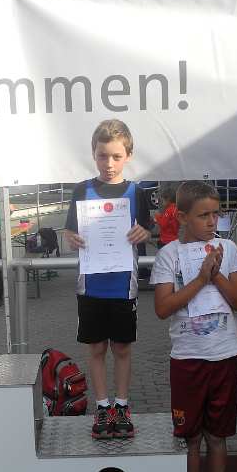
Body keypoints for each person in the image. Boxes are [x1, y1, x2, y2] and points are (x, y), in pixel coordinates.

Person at [151, 181, 237, 472]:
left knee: (217, 436)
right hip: (187, 358)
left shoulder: (228, 248)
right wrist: (200, 278)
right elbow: (163, 308)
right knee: (191, 436)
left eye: (215, 214)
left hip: (224, 355)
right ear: (182, 217)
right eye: (203, 215)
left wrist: (216, 274)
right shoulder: (169, 255)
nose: (211, 221)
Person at [64, 119, 152, 439]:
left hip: (123, 285)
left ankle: (122, 405)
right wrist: (70, 238)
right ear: (94, 154)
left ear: (128, 155)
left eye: (116, 156)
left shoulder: (136, 192)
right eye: (103, 156)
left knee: (123, 348)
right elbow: (69, 231)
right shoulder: (81, 190)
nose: (109, 163)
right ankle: (103, 407)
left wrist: (145, 232)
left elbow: (147, 229)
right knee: (97, 347)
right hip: (91, 285)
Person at [153, 182, 180, 248]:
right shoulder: (176, 209)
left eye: (163, 200)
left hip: (167, 240)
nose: (162, 203)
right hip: (175, 238)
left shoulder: (169, 210)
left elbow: (163, 224)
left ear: (168, 200)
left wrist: (157, 217)